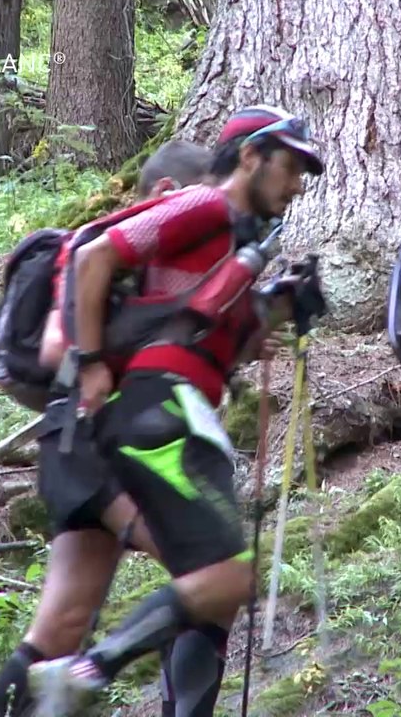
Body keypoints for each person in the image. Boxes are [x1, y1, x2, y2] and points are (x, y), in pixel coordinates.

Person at [24, 105, 326, 716]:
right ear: (249, 157)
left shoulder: (236, 239)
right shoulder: (207, 205)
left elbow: (199, 330)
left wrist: (276, 309)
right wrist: (88, 361)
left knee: (214, 588)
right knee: (226, 579)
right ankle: (84, 673)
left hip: (177, 407)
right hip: (164, 410)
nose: (297, 185)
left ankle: (92, 680)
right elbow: (94, 258)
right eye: (290, 166)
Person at [0, 140, 245, 717]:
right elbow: (61, 347)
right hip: (92, 440)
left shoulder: (156, 274)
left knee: (61, 624)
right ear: (166, 196)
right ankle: (100, 676)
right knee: (212, 577)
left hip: (86, 442)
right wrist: (108, 356)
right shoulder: (105, 256)